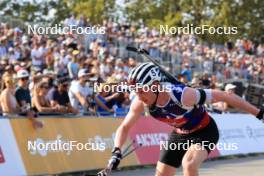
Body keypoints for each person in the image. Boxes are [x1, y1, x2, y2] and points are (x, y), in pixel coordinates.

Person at [104, 62, 264, 176]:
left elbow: (225, 96)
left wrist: (259, 114)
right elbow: (124, 127)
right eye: (135, 91)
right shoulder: (140, 102)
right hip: (180, 134)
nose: (138, 96)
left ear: (155, 86)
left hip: (204, 131)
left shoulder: (183, 95)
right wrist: (116, 151)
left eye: (141, 91)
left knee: (189, 164)